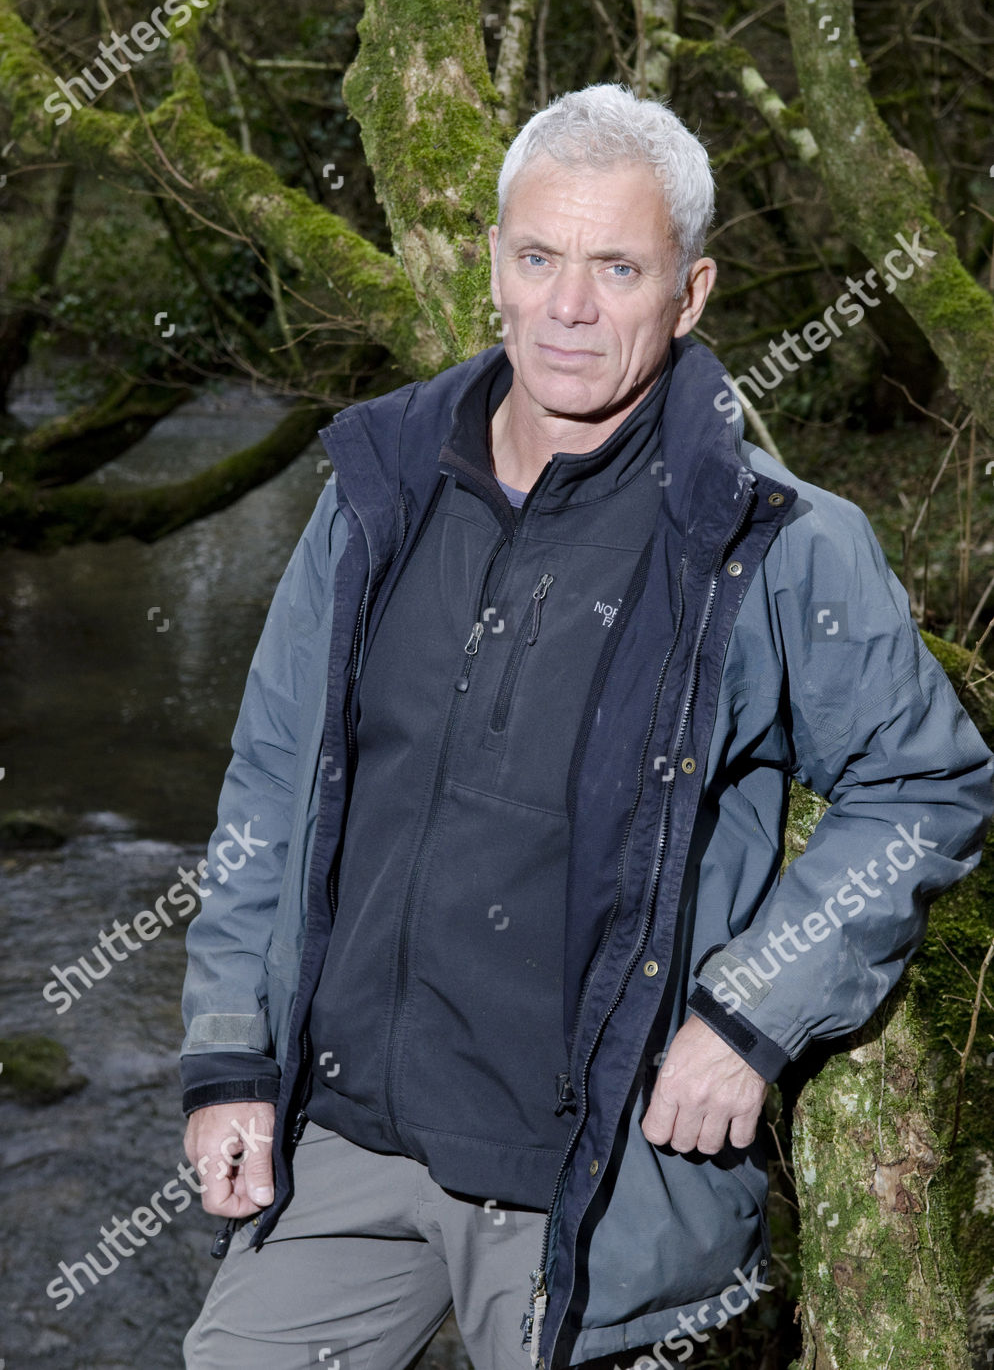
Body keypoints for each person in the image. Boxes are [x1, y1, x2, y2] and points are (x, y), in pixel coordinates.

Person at [180, 84, 993, 1370]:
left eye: (618, 267)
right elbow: (272, 784)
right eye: (539, 257)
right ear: (494, 263)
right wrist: (229, 1053)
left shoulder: (774, 541)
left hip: (595, 1180)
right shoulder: (377, 493)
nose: (568, 308)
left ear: (692, 291)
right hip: (340, 1139)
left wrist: (748, 1016)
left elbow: (926, 787)